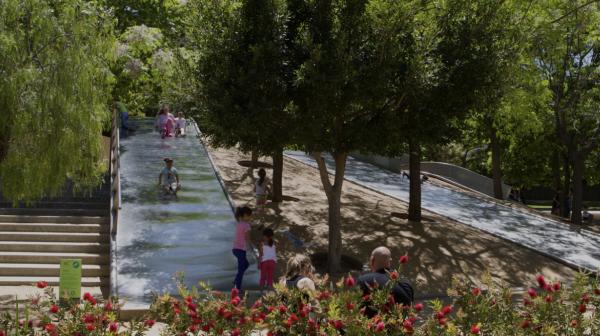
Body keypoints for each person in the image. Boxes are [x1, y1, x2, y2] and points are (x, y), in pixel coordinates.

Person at [357, 246, 414, 318]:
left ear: (372, 260)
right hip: (402, 327)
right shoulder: (405, 282)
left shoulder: (364, 280)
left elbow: (358, 307)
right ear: (390, 261)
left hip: (375, 326)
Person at [232, 207, 253, 290]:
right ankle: (237, 288)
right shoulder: (247, 225)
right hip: (241, 250)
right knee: (241, 269)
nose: (250, 218)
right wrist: (250, 246)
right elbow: (247, 238)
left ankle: (236, 280)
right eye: (249, 216)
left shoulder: (239, 223)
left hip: (235, 249)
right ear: (245, 215)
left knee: (246, 264)